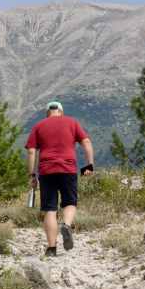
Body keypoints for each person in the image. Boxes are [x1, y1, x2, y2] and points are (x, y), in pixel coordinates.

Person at [26, 100, 94, 257]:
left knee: (49, 209)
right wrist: (89, 165)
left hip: (46, 170)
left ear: (47, 113)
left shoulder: (38, 126)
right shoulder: (72, 122)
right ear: (61, 112)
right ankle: (67, 224)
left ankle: (51, 248)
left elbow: (31, 151)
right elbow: (87, 142)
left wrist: (32, 174)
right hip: (67, 168)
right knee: (70, 202)